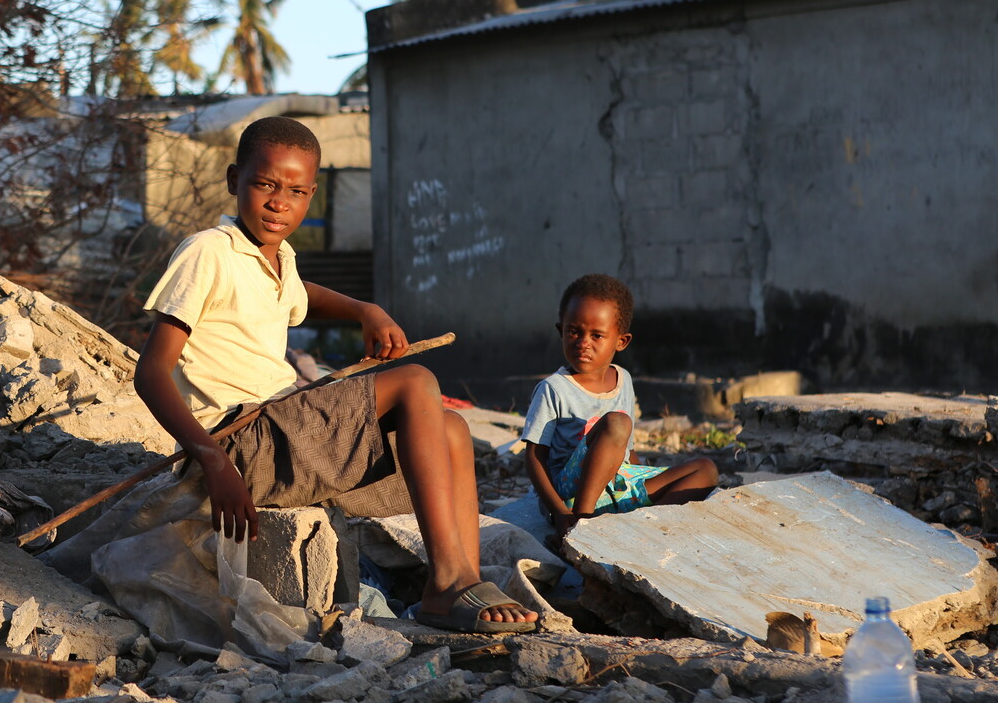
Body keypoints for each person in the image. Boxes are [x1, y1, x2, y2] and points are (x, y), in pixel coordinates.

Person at [134, 116, 537, 633]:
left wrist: (364, 309)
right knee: (415, 382)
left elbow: (305, 296)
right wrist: (213, 460)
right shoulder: (209, 251)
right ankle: (449, 581)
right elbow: (151, 372)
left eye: (297, 191)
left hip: (282, 439)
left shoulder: (277, 259)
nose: (280, 202)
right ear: (235, 179)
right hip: (242, 441)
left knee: (452, 429)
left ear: (312, 195)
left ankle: (458, 583)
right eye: (265, 185)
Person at [522, 274, 718, 543]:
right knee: (617, 423)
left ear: (621, 341)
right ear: (561, 331)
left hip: (616, 484)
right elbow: (534, 458)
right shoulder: (554, 388)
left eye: (597, 335)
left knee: (705, 469)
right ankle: (581, 528)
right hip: (570, 493)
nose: (583, 343)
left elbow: (628, 450)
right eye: (573, 332)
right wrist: (559, 513)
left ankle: (642, 529)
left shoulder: (623, 379)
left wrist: (641, 482)